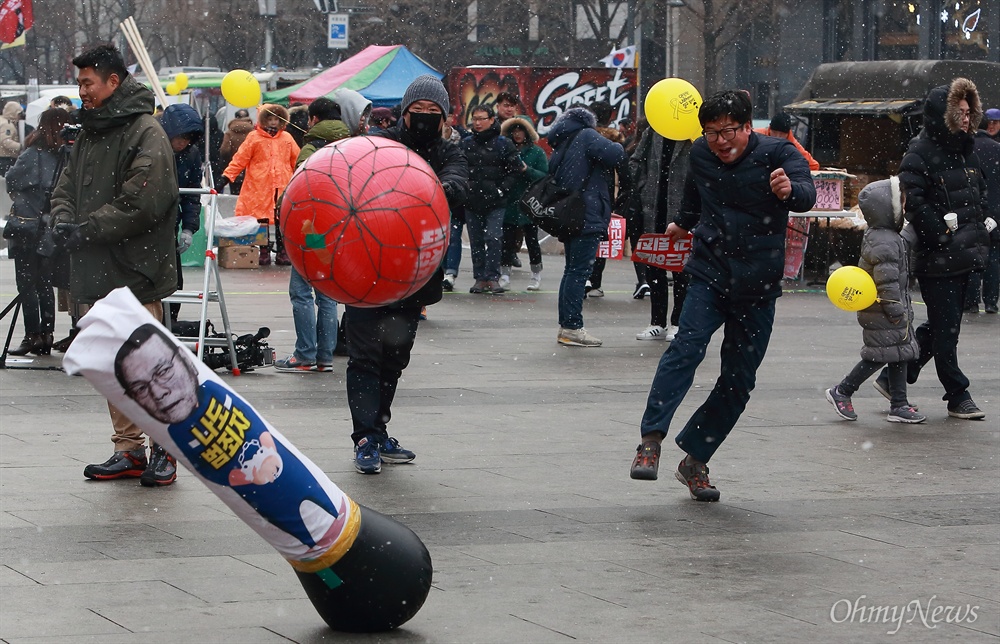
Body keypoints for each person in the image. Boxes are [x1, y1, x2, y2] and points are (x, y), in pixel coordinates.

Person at [629, 89, 816, 501]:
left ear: (749, 126)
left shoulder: (778, 154)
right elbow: (697, 198)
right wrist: (681, 223)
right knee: (685, 349)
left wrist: (789, 192)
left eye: (729, 130)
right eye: (712, 132)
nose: (721, 141)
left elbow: (807, 193)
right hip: (709, 273)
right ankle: (651, 441)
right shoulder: (700, 154)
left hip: (758, 285)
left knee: (738, 380)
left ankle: (695, 458)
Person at [48, 44, 180, 486]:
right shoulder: (89, 132)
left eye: (88, 82)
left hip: (136, 271)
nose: (81, 90)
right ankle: (129, 449)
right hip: (94, 271)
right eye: (80, 82)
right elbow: (65, 187)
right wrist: (64, 223)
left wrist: (87, 228)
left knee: (147, 367)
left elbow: (145, 200)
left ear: (113, 82)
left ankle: (166, 449)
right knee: (110, 366)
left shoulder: (146, 130)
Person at [115, 323, 348, 551]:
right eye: (141, 389)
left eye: (164, 371)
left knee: (330, 524)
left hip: (333, 520)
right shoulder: (179, 434)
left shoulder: (212, 396)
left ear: (186, 360)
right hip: (298, 540)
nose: (159, 392)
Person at [356, 74, 468, 474]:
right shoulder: (380, 146)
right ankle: (365, 437)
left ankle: (379, 428)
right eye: (416, 111)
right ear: (404, 113)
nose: (422, 118)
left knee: (395, 357)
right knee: (366, 356)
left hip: (417, 272)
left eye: (431, 112)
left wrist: (422, 185)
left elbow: (457, 187)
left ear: (443, 117)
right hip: (367, 269)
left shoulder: (451, 152)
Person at [878, 78, 990, 420]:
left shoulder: (965, 148)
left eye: (970, 112)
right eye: (960, 112)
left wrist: (985, 226)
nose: (967, 119)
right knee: (947, 330)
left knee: (943, 324)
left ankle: (891, 375)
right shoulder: (920, 152)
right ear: (944, 115)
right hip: (937, 255)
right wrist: (940, 233)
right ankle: (957, 393)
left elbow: (976, 192)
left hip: (966, 252)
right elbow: (913, 201)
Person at [826, 177, 925, 424]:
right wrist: (895, 309)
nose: (904, 208)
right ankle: (843, 390)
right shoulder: (884, 241)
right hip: (883, 309)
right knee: (878, 355)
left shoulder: (885, 235)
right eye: (900, 203)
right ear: (887, 208)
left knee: (898, 353)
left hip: (885, 307)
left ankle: (899, 404)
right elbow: (887, 282)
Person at [274, 97, 351, 373]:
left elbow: (302, 187)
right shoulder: (350, 145)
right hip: (341, 228)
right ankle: (325, 357)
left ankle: (305, 353)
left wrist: (281, 206)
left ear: (314, 120)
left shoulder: (311, 147)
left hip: (312, 230)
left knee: (301, 291)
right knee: (327, 294)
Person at [546, 105, 629, 347]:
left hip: (569, 214)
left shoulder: (562, 142)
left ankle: (566, 326)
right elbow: (616, 155)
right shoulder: (587, 135)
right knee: (579, 272)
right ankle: (572, 327)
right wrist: (613, 141)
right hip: (587, 213)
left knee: (571, 270)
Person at [4, 108, 72, 356]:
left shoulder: (33, 154)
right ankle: (47, 333)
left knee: (27, 283)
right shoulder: (67, 157)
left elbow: (12, 179)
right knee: (44, 283)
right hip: (52, 227)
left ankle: (33, 334)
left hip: (28, 225)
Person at [628, 125, 691, 342]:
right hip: (653, 208)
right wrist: (643, 184)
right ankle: (657, 322)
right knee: (654, 268)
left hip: (682, 211)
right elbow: (635, 160)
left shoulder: (692, 133)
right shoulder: (652, 132)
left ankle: (678, 322)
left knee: (681, 269)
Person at [219, 104, 299, 266]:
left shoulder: (287, 138)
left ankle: (282, 250)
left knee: (281, 219)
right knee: (262, 219)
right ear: (263, 120)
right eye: (269, 119)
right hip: (259, 186)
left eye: (276, 119)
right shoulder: (254, 138)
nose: (273, 123)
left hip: (282, 185)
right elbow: (240, 159)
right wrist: (227, 177)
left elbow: (296, 160)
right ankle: (264, 250)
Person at [460, 104, 522, 294]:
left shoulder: (503, 143)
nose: (477, 123)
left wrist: (502, 190)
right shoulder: (466, 143)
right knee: (476, 240)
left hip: (496, 200)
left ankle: (493, 276)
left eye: (481, 119)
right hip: (472, 200)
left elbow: (515, 170)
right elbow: (458, 167)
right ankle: (480, 277)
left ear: (491, 119)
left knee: (494, 237)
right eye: (475, 119)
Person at [159, 103, 204, 324]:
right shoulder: (152, 148)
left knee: (174, 281)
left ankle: (171, 322)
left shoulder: (191, 154)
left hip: (170, 224)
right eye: (181, 137)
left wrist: (188, 227)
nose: (184, 143)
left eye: (189, 138)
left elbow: (192, 195)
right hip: (148, 223)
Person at [584, 100, 627, 298]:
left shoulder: (584, 137)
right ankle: (595, 281)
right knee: (600, 238)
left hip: (583, 193)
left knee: (581, 236)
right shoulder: (615, 141)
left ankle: (583, 276)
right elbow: (625, 173)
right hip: (606, 194)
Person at [499, 117, 547, 291]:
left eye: (521, 130)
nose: (517, 134)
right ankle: (504, 274)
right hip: (509, 201)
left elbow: (544, 176)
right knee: (507, 240)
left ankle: (536, 274)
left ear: (527, 132)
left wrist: (528, 170)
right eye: (514, 130)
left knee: (532, 240)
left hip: (530, 202)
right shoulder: (506, 150)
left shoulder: (537, 152)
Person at [963, 115, 1000, 314]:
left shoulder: (967, 150)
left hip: (972, 211)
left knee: (973, 257)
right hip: (995, 213)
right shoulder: (997, 150)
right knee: (993, 258)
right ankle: (991, 302)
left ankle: (971, 301)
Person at [754, 112, 820, 171]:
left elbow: (813, 166)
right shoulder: (755, 135)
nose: (777, 137)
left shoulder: (793, 144)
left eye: (781, 134)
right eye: (774, 132)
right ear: (769, 129)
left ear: (788, 133)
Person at [219, 108, 253, 195]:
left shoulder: (230, 132)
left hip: (234, 167)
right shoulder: (253, 133)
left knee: (235, 195)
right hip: (250, 168)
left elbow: (224, 150)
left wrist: (228, 161)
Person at [0, 100, 24, 174]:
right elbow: (6, 141)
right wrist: (21, 146)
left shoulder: (2, 120)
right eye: (19, 113)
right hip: (6, 158)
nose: (20, 116)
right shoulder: (7, 125)